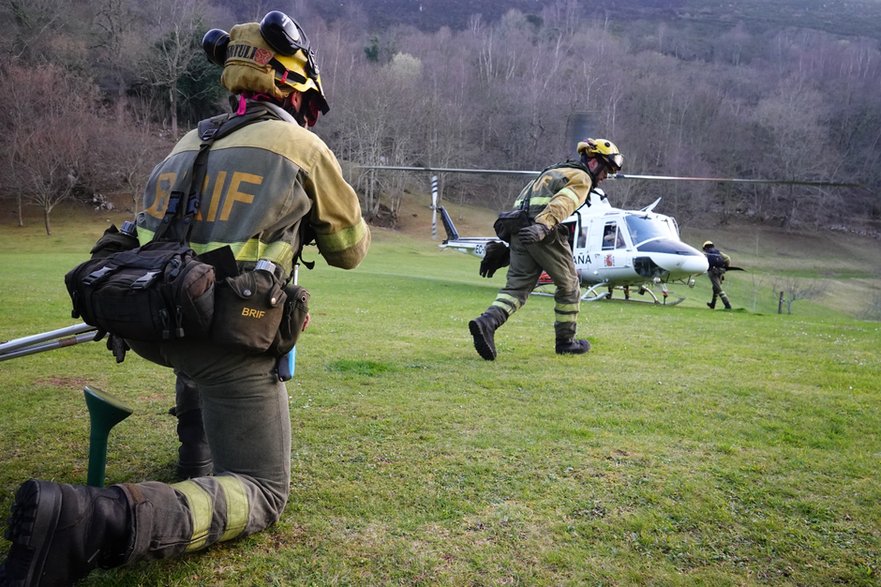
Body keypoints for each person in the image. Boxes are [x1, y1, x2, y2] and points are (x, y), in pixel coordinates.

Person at [0, 11, 370, 585]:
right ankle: (92, 522)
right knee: (263, 490)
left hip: (151, 322)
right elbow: (348, 249)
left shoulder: (188, 139)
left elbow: (175, 251)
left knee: (200, 298)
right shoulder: (300, 145)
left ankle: (194, 460)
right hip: (222, 344)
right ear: (292, 76)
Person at [469, 138, 624, 360]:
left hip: (519, 230)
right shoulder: (581, 178)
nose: (605, 176)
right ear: (592, 161)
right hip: (543, 232)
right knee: (570, 286)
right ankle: (566, 342)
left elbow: (522, 206)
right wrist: (543, 227)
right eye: (605, 169)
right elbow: (563, 203)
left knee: (517, 289)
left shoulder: (551, 172)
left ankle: (487, 323)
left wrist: (509, 246)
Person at [702, 240, 732, 310]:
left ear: (705, 248)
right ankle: (713, 303)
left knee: (718, 288)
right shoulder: (718, 252)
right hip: (720, 270)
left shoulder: (706, 254)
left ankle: (727, 304)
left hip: (712, 272)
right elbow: (728, 258)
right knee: (715, 287)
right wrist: (725, 268)